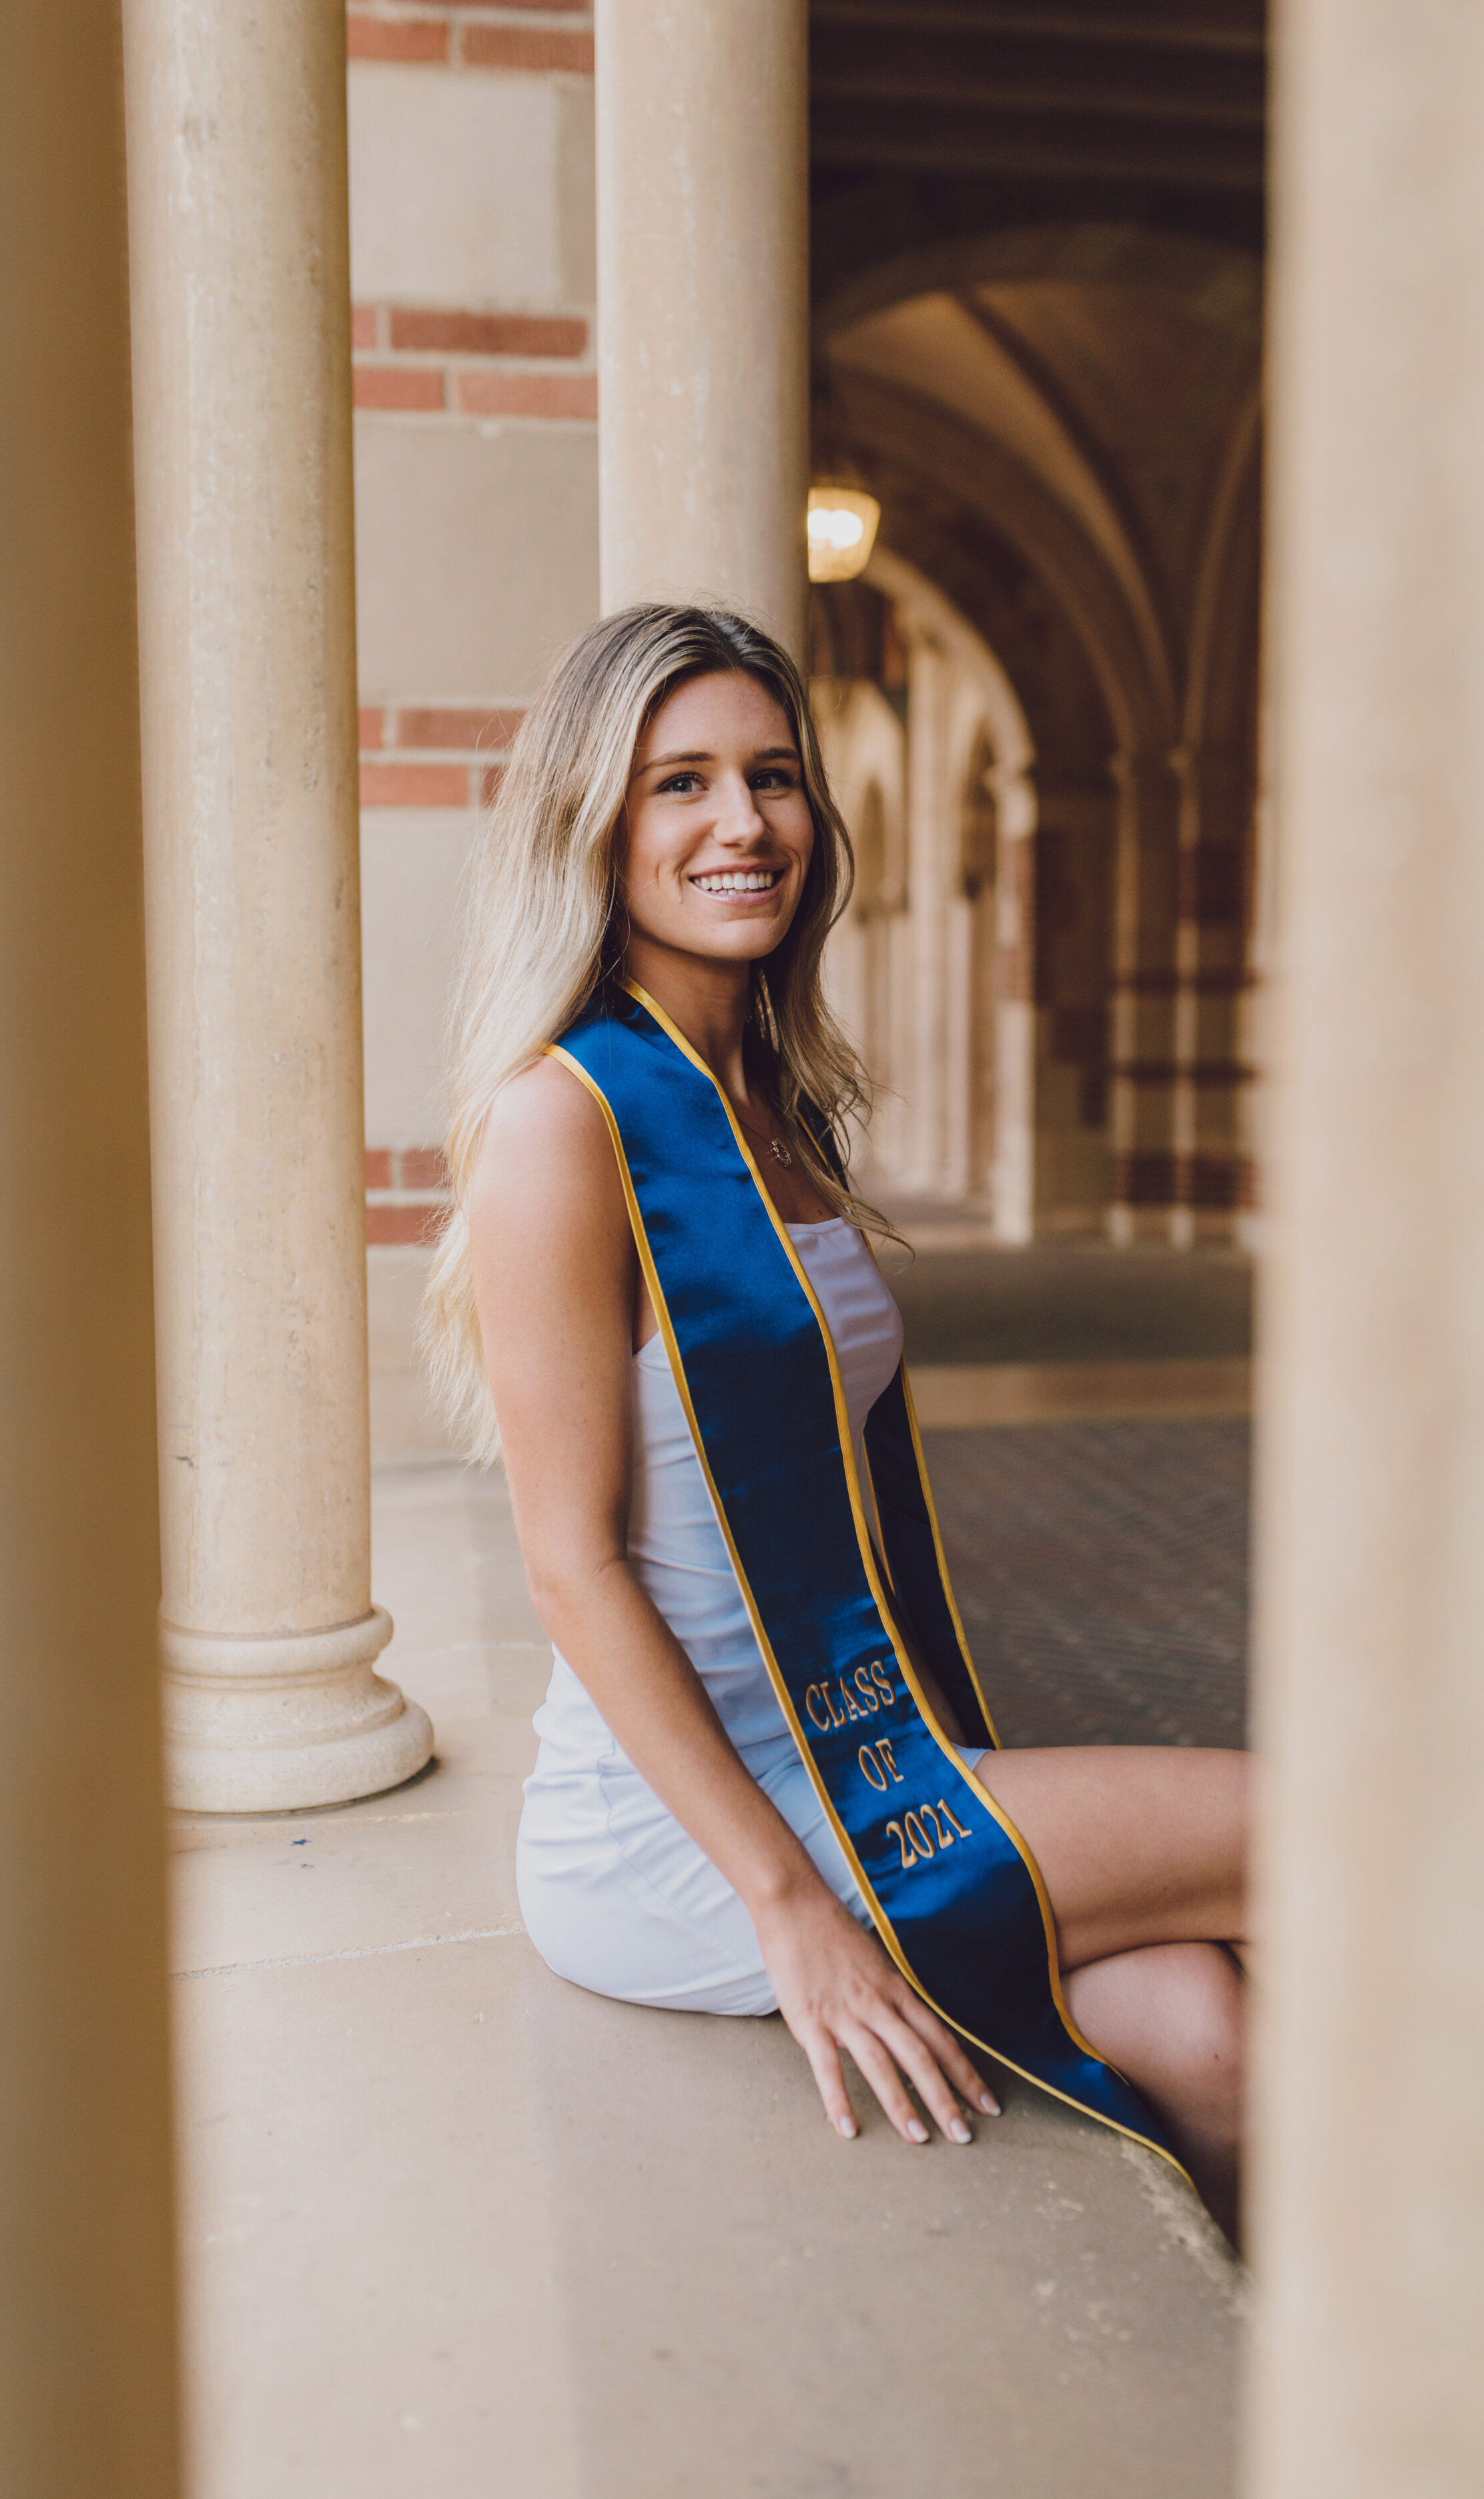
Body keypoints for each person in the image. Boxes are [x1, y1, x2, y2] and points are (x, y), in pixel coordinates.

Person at [423, 605, 1249, 2241]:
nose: (743, 823)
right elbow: (572, 1563)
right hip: (686, 1839)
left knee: (1205, 2021)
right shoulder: (563, 1122)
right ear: (596, 824)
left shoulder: (771, 1106)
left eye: (773, 775)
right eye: (680, 784)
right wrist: (791, 1908)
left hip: (864, 1755)